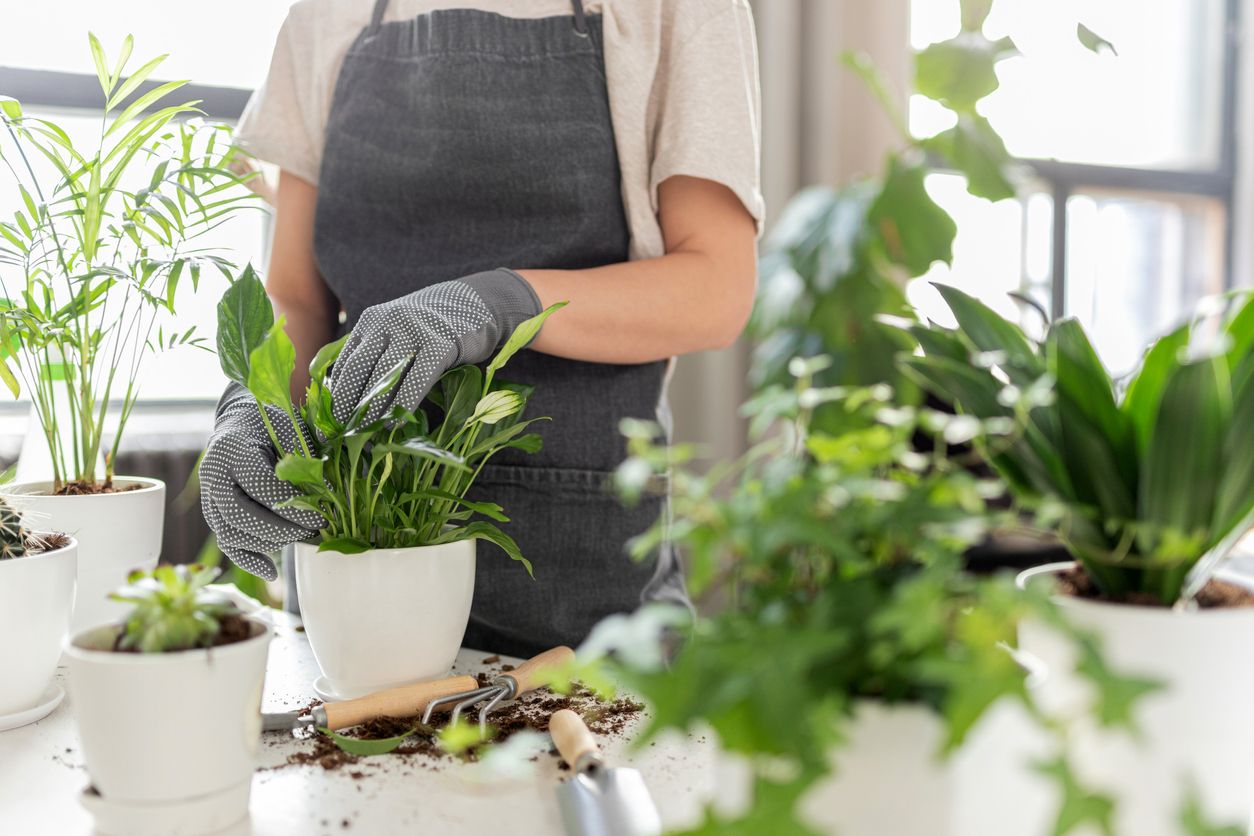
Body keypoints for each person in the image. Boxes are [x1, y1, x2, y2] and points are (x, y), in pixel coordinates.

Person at [199, 0, 763, 658]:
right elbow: (297, 296)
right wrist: (254, 402)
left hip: (580, 603)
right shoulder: (327, 14)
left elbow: (715, 289)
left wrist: (504, 302)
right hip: (351, 593)